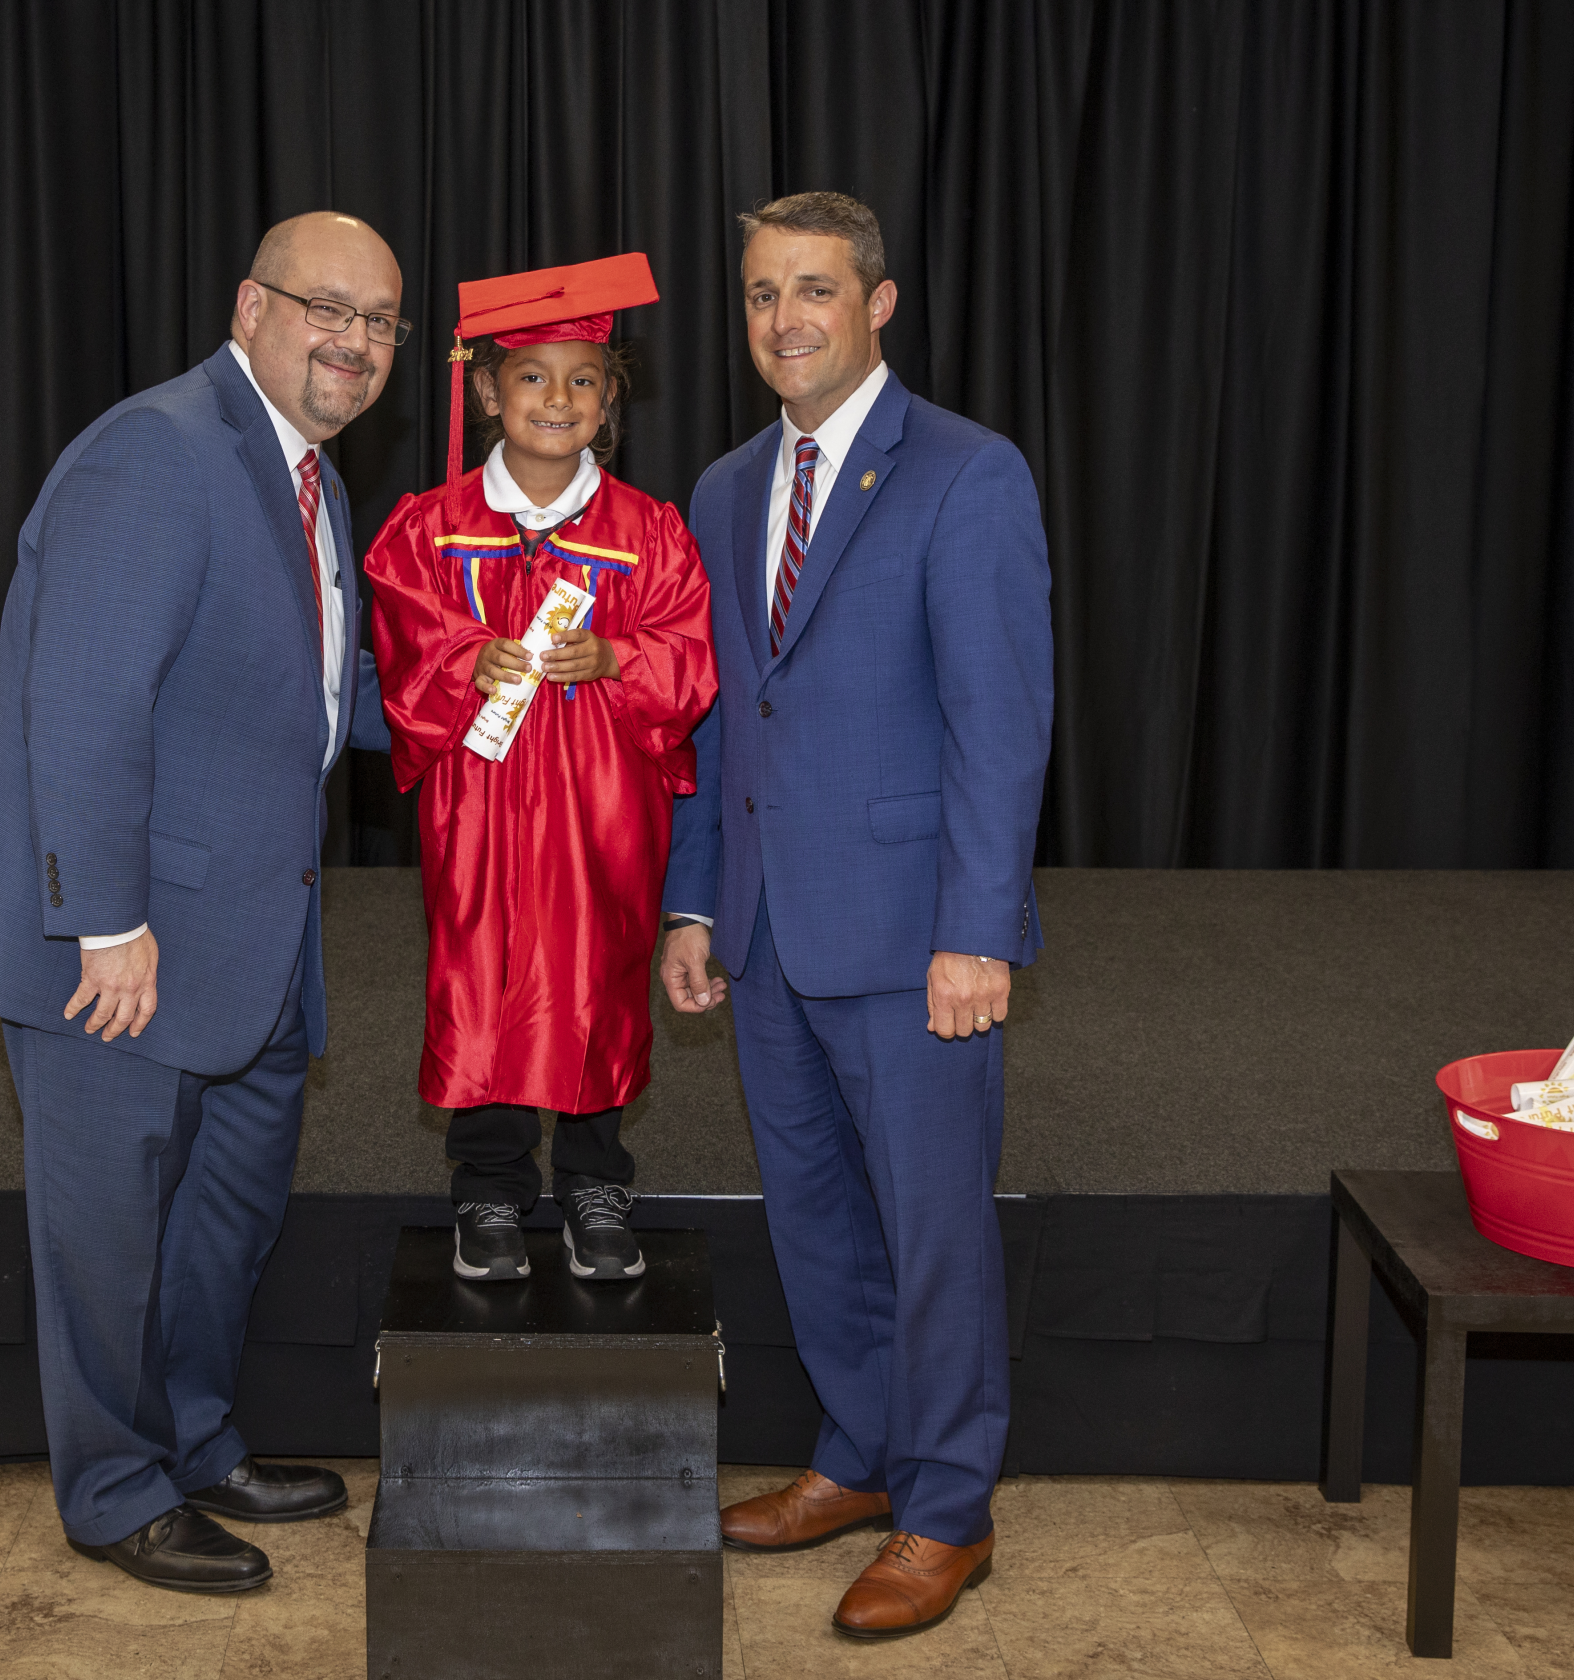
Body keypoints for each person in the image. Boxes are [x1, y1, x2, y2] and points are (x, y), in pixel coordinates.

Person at [0, 212, 404, 1594]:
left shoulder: (307, 473)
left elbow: (320, 691)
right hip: (121, 948)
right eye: (328, 308)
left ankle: (193, 1443)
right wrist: (107, 922)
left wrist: (489, 695)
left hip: (253, 941)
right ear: (251, 306)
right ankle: (115, 1490)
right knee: (108, 1238)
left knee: (217, 1228)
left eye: (380, 322)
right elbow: (83, 703)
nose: (355, 342)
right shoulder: (155, 451)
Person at [660, 192, 1053, 1640]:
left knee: (931, 1232)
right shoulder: (720, 491)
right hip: (765, 932)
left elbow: (1001, 727)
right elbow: (716, 724)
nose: (786, 319)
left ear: (877, 304)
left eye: (814, 289)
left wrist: (978, 932)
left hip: (911, 937)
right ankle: (861, 1452)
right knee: (818, 1220)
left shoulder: (968, 473)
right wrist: (693, 903)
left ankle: (947, 1508)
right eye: (763, 293)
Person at [366, 254, 718, 1283]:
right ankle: (488, 1184)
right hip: (478, 804)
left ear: (608, 402)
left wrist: (617, 657)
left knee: (598, 972)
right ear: (486, 390)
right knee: (482, 972)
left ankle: (595, 1180)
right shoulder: (429, 527)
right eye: (531, 376)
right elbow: (401, 640)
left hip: (604, 804)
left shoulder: (648, 532)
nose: (556, 398)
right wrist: (463, 658)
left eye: (582, 380)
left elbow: (691, 661)